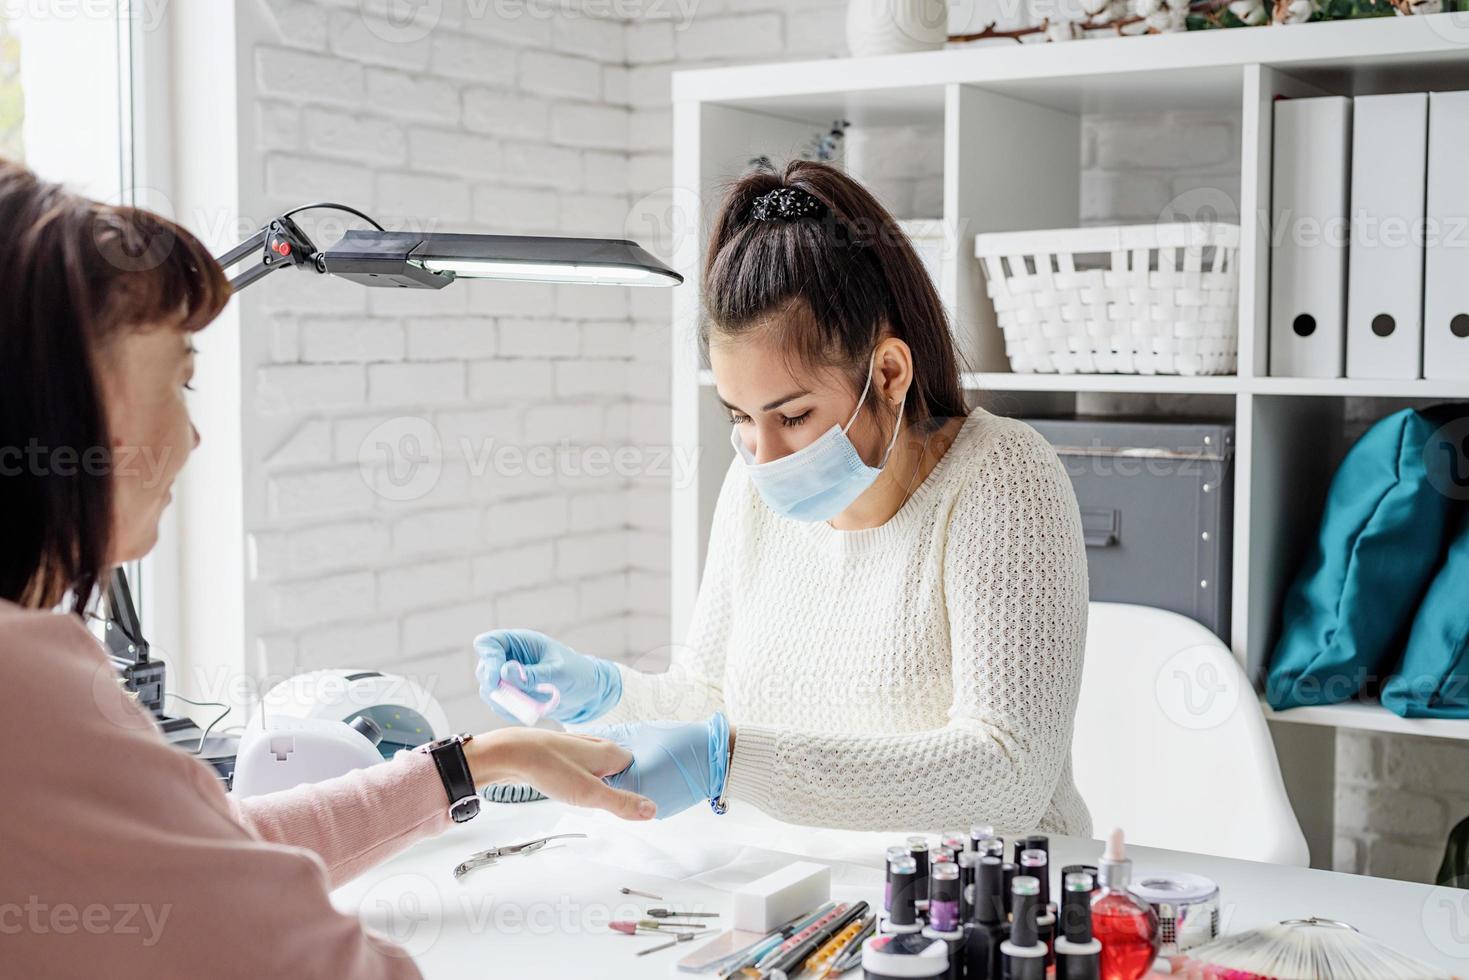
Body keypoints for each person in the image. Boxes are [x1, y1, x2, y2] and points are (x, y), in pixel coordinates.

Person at [0, 158, 657, 979]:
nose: (194, 439)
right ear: (69, 399)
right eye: (183, 379)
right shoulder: (24, 684)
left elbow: (214, 860)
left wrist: (470, 762)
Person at [476, 160, 1093, 837]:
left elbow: (1005, 773)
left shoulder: (1001, 478)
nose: (761, 455)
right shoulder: (752, 488)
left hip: (985, 909)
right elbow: (707, 699)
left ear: (887, 373)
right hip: (804, 896)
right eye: (738, 416)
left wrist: (729, 762)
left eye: (792, 416)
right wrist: (599, 695)